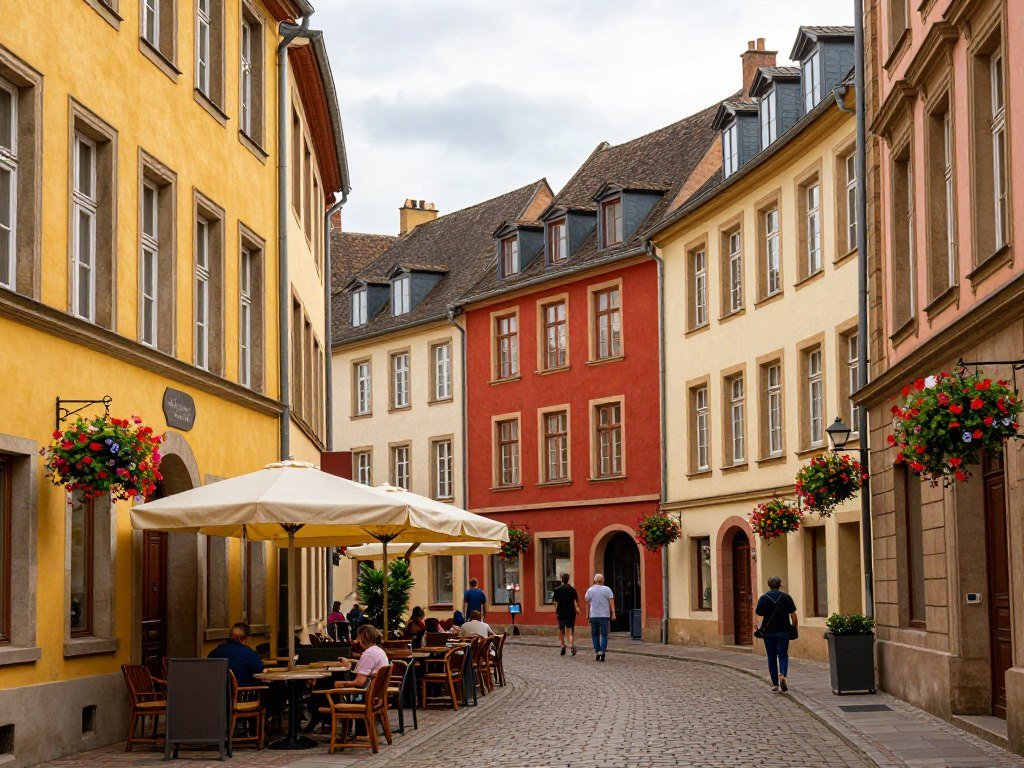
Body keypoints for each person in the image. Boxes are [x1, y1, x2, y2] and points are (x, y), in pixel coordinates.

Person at [755, 575, 798, 692]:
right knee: (783, 655)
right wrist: (795, 628)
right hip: (784, 631)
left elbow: (759, 615)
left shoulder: (763, 598)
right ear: (780, 585)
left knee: (771, 657)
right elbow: (793, 615)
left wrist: (759, 628)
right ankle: (783, 674)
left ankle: (775, 683)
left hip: (768, 633)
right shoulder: (786, 597)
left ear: (769, 585)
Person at [207, 622, 264, 687]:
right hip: (243, 693)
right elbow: (260, 671)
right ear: (247, 638)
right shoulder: (249, 653)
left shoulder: (215, 652)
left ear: (230, 636)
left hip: (218, 694)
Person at [336, 624, 388, 688]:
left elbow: (359, 682)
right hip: (377, 689)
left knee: (331, 684)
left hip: (368, 693)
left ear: (361, 639)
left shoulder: (368, 655)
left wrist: (341, 685)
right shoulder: (379, 651)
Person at [584, 573, 616, 662]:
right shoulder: (607, 589)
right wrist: (613, 613)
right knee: (604, 634)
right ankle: (602, 652)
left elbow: (586, 601)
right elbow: (611, 601)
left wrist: (587, 614)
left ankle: (597, 652)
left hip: (593, 615)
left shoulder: (590, 590)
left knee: (595, 634)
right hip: (604, 616)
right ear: (602, 580)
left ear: (595, 580)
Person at [552, 572, 580, 657]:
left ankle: (562, 645)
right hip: (571, 612)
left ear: (561, 579)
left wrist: (556, 610)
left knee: (561, 630)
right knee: (570, 630)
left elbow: (555, 602)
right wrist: (577, 608)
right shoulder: (572, 589)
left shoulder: (557, 590)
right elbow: (575, 601)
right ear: (568, 579)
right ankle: (571, 646)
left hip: (561, 612)